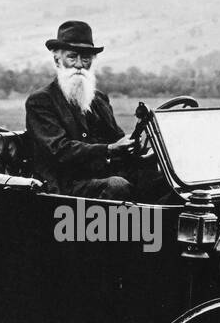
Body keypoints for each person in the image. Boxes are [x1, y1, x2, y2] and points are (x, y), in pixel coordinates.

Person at [25, 20, 171, 201]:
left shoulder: (99, 99)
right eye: (72, 57)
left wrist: (134, 145)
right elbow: (59, 150)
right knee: (117, 186)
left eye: (85, 58)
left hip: (103, 177)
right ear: (57, 60)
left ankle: (167, 228)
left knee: (169, 181)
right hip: (62, 187)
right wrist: (109, 149)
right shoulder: (41, 101)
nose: (79, 64)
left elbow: (116, 138)